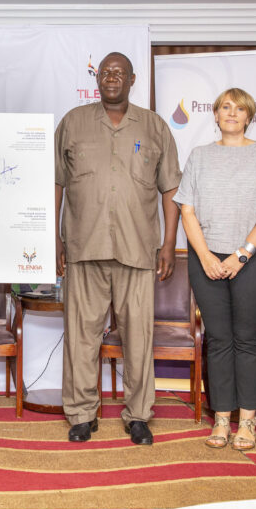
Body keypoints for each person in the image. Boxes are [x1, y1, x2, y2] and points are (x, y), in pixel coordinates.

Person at [55, 52, 181, 445]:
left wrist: (170, 243)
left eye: (119, 73)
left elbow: (171, 189)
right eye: (105, 72)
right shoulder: (74, 123)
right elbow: (56, 182)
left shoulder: (155, 126)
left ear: (132, 79)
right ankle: (80, 413)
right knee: (81, 336)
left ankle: (139, 415)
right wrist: (51, 237)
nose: (112, 78)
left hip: (138, 247)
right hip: (83, 244)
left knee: (138, 338)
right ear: (97, 78)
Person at [174, 88, 256, 451]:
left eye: (239, 108)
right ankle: (221, 418)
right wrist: (205, 256)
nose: (232, 113)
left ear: (250, 115)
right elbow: (187, 210)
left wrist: (241, 255)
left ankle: (247, 421)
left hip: (252, 259)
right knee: (218, 340)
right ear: (216, 115)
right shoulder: (200, 156)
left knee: (247, 340)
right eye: (225, 107)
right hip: (206, 257)